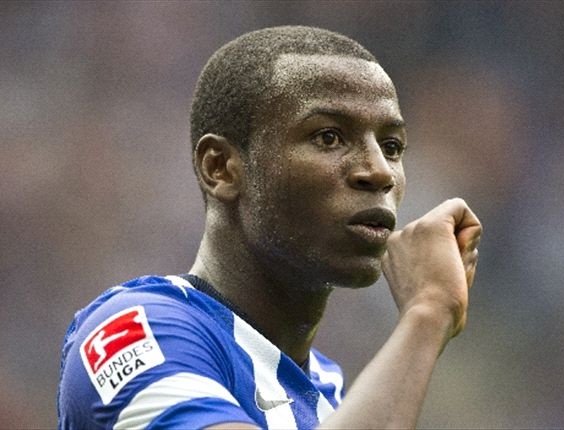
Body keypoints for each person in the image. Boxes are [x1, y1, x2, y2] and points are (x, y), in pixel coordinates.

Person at [57, 25, 482, 429]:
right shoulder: (133, 334)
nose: (379, 171)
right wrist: (427, 311)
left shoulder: (328, 394)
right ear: (220, 167)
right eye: (329, 137)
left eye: (391, 146)